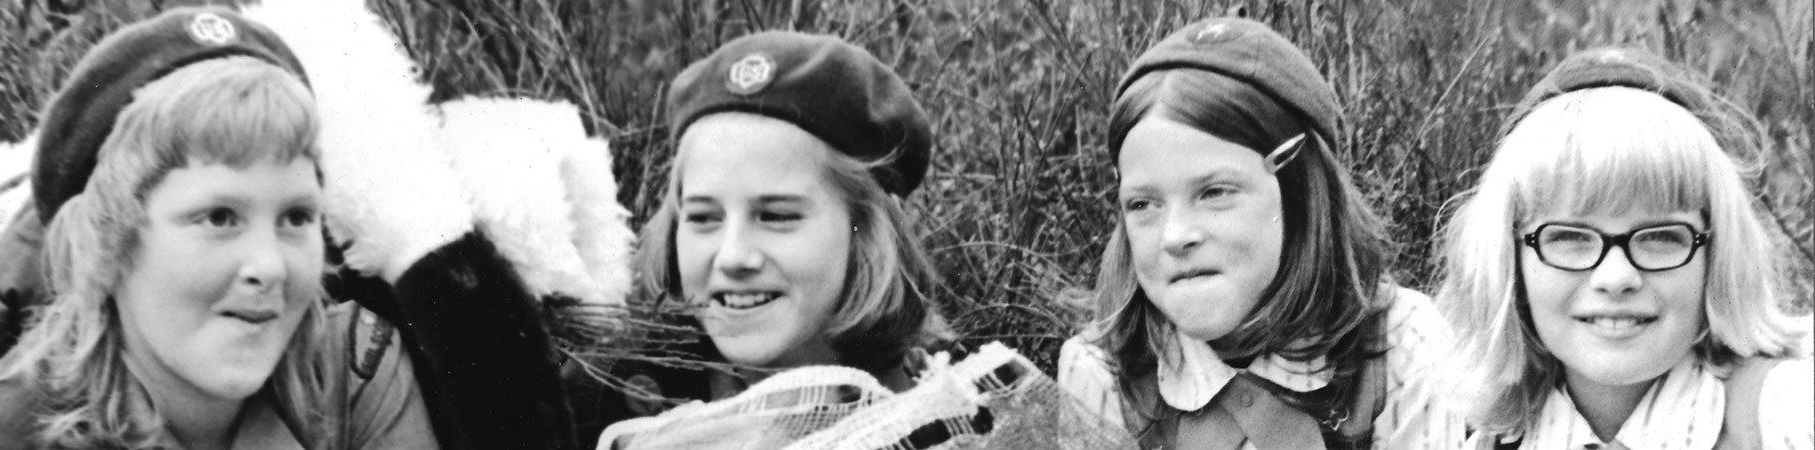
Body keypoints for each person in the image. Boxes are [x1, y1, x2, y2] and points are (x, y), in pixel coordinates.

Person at [0, 9, 436, 449]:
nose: (270, 265)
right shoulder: (2, 437)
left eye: (296, 217)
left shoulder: (351, 373)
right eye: (219, 218)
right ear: (106, 244)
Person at [1053, 18, 1460, 449]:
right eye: (1143, 204)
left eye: (1214, 193)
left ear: (1302, 193)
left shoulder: (1400, 344)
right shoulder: (1102, 373)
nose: (1175, 236)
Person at [586, 31, 967, 449]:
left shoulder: (943, 415)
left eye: (776, 216)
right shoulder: (605, 394)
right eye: (702, 217)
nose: (732, 256)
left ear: (867, 233)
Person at [1436, 47, 1813, 449]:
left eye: (1660, 237)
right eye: (1569, 238)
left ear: (1717, 255)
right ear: (1510, 260)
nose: (1616, 278)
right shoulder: (1484, 439)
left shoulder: (1786, 415)